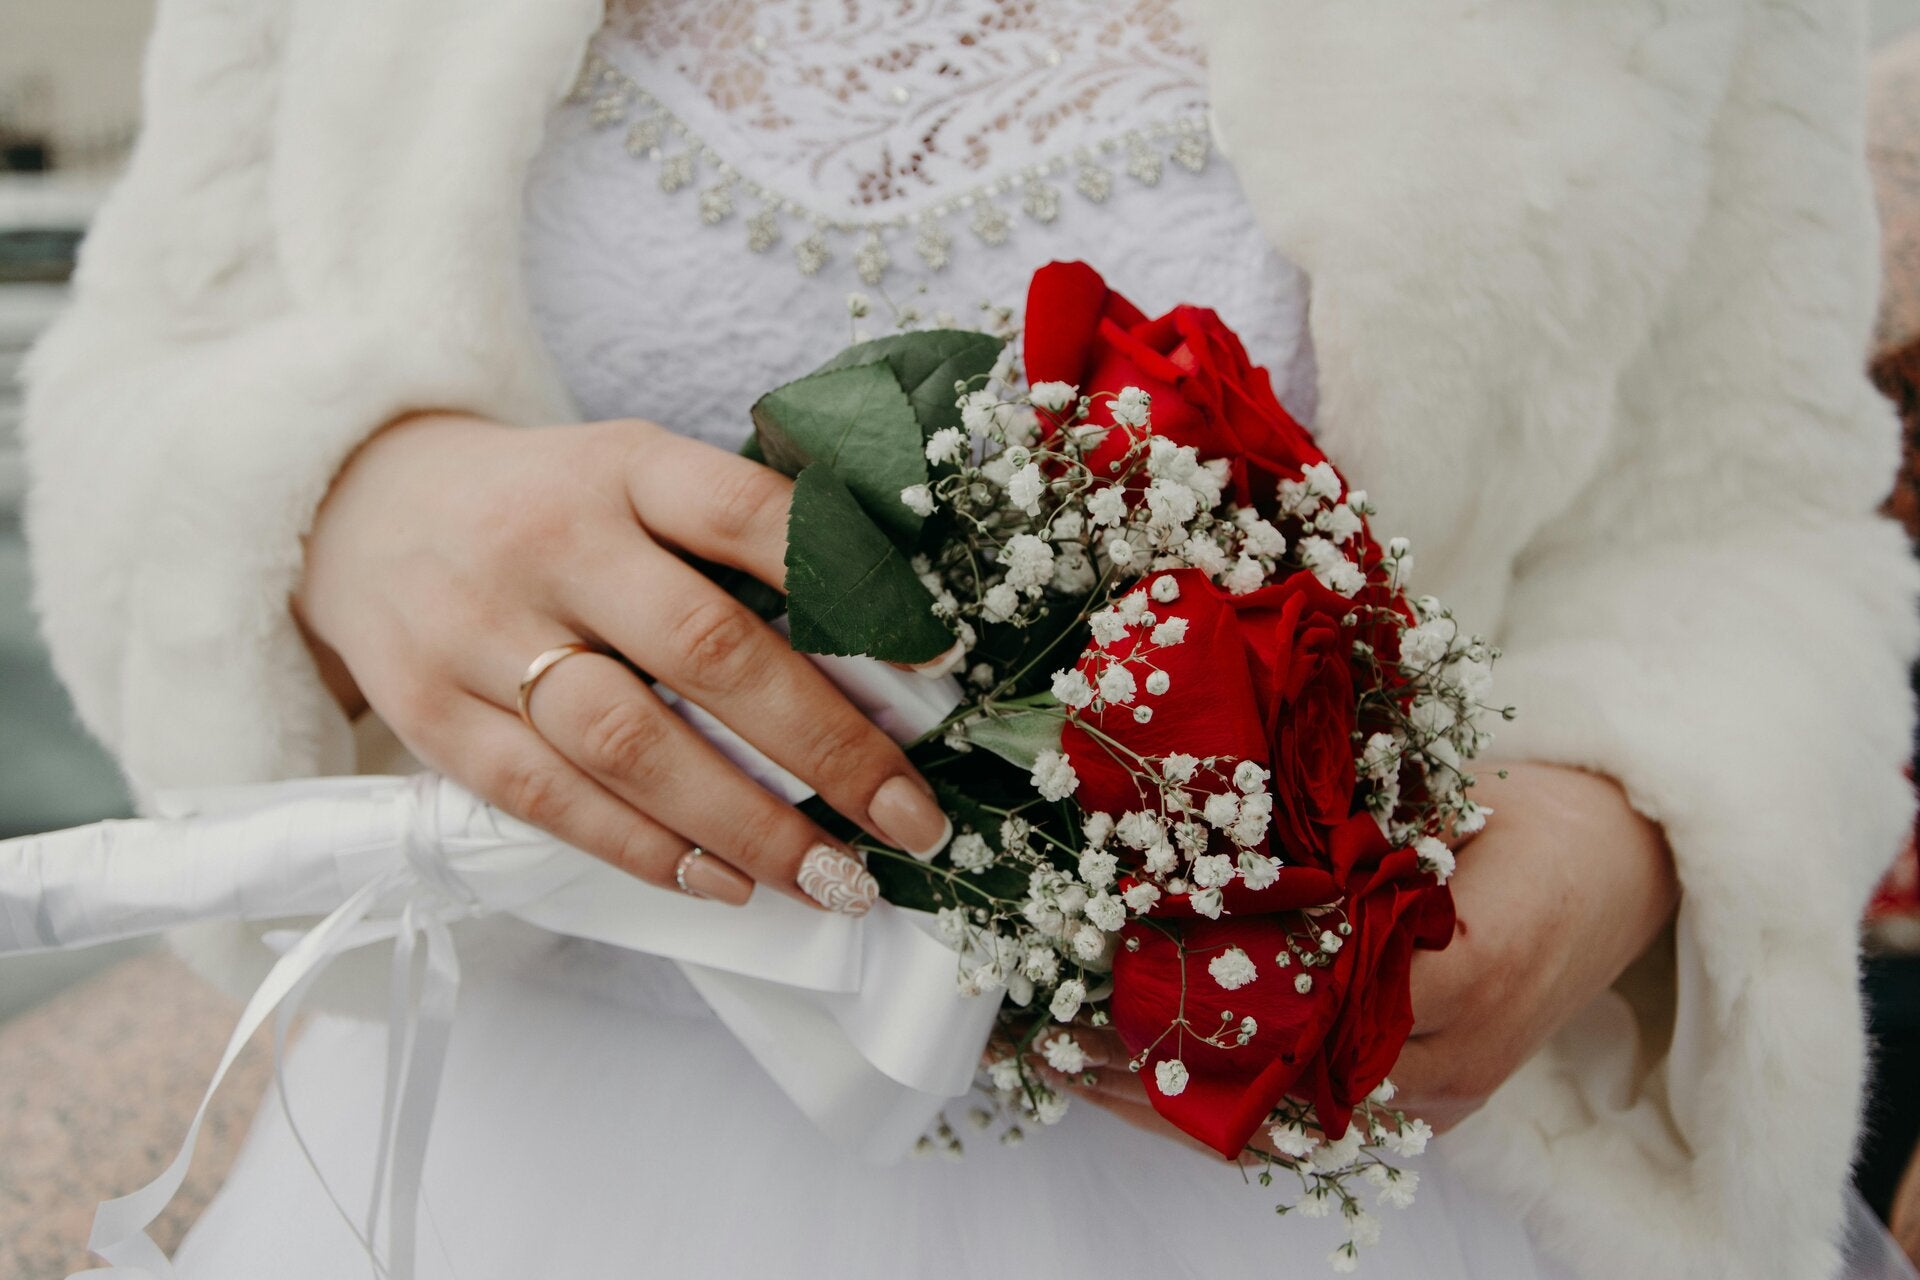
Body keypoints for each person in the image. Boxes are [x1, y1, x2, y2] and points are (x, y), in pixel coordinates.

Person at [19, 1, 1917, 1276]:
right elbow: (147, 368)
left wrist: (1614, 843)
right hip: (511, 1149)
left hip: (1284, 1192)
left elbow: (1757, 518)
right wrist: (348, 503)